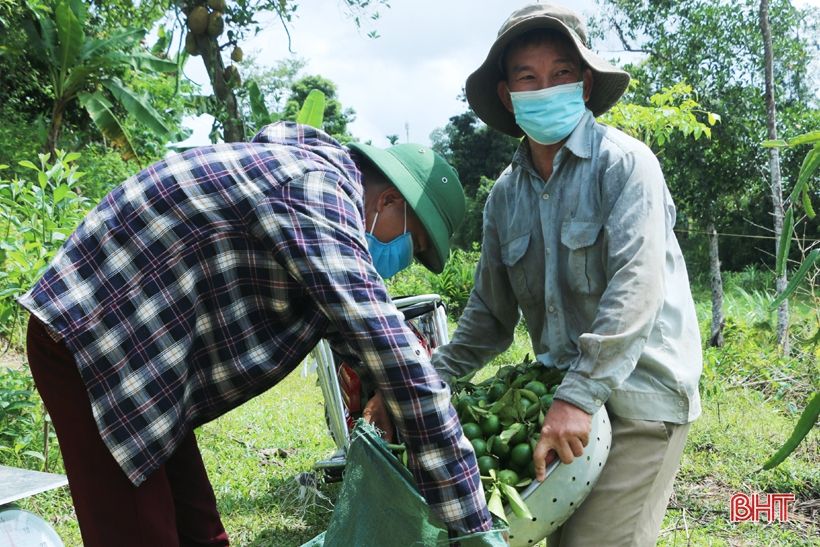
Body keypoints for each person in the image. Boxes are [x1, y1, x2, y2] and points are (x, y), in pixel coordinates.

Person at [18, 121, 495, 545]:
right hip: (91, 337)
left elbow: (363, 337)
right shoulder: (315, 192)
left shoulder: (316, 191)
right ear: (388, 201)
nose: (404, 259)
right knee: (138, 531)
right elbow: (392, 354)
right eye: (414, 244)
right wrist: (473, 526)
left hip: (149, 357)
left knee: (201, 532)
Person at [430, 4, 703, 546]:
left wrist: (577, 398)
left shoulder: (626, 165)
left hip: (638, 400)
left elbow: (636, 287)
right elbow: (488, 317)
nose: (545, 87)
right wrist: (423, 385)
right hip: (563, 407)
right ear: (508, 96)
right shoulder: (505, 198)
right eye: (528, 77)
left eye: (561, 73)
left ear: (584, 82)